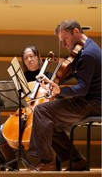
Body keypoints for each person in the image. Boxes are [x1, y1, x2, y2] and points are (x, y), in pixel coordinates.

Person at [28, 19, 101, 171]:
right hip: (90, 100)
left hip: (93, 103)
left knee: (42, 111)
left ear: (76, 31)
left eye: (65, 39)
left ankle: (47, 161)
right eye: (61, 41)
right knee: (47, 121)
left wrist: (60, 91)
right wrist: (53, 82)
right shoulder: (85, 49)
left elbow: (82, 88)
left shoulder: (88, 54)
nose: (64, 45)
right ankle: (76, 161)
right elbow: (74, 74)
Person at [0, 45, 52, 170]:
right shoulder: (21, 78)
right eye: (26, 58)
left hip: (40, 117)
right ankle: (12, 164)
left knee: (43, 131)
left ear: (38, 57)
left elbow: (53, 99)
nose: (29, 59)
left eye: (31, 56)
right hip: (23, 114)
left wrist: (47, 87)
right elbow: (17, 100)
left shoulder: (49, 76)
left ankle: (46, 162)